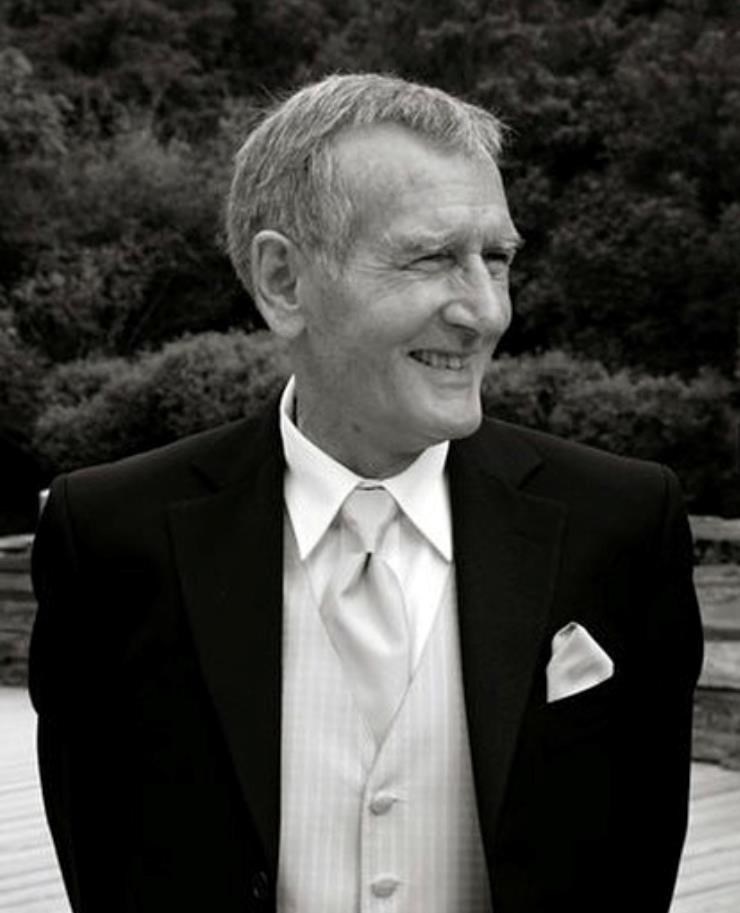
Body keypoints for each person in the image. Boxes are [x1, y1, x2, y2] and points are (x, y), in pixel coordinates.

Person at [29, 73, 703, 913]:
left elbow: (638, 856)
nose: (486, 312)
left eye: (496, 259)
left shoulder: (623, 522)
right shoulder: (109, 537)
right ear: (284, 281)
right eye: (432, 257)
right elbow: (104, 861)